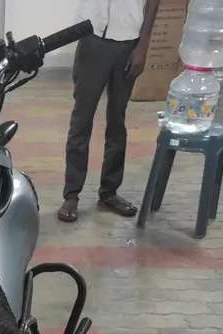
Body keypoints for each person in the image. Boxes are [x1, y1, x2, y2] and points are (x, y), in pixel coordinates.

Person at [58, 0, 161, 222]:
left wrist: (143, 45)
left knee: (117, 121)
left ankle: (109, 192)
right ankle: (72, 194)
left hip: (128, 41)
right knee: (81, 120)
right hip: (92, 37)